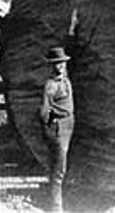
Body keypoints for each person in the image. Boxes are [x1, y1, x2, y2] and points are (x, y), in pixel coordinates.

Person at [40, 47, 74, 212]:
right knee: (58, 171)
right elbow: (44, 111)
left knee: (62, 168)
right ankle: (55, 208)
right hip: (58, 129)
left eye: (62, 63)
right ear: (51, 66)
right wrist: (49, 128)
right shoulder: (51, 85)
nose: (59, 66)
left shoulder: (65, 81)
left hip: (67, 127)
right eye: (56, 64)